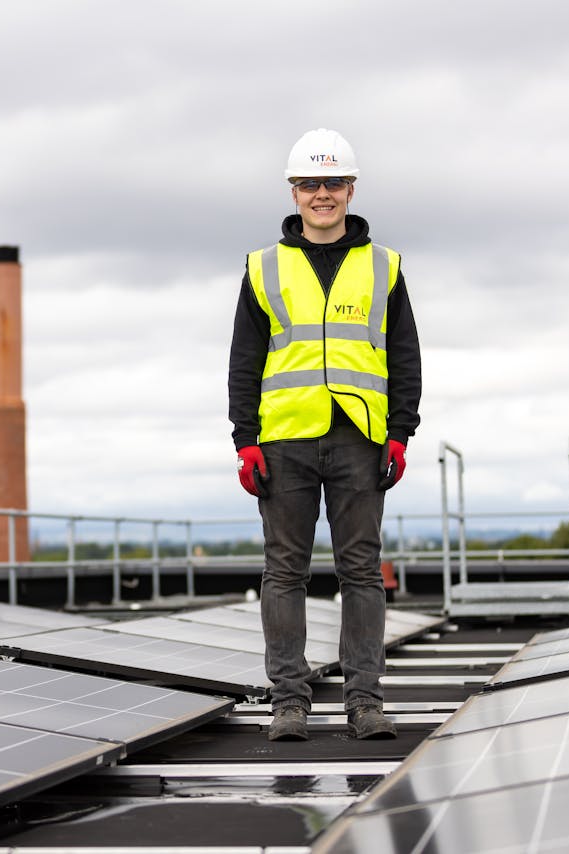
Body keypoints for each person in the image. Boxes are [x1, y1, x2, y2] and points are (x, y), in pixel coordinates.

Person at [227, 128, 422, 741]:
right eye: (310, 184)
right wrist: (245, 440)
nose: (322, 195)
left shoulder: (384, 266)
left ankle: (365, 701)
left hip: (360, 440)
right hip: (284, 440)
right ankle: (290, 700)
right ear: (293, 192)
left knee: (360, 570)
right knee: (285, 570)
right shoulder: (263, 267)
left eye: (332, 183)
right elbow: (245, 360)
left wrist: (400, 432)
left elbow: (404, 354)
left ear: (351, 188)